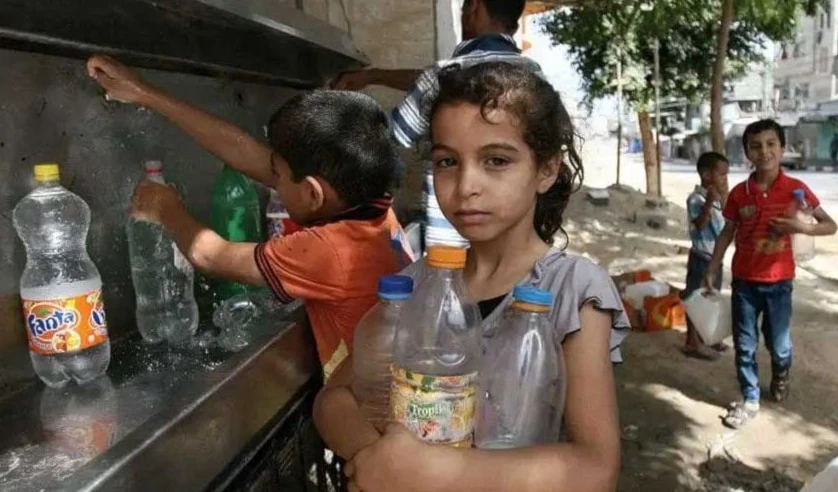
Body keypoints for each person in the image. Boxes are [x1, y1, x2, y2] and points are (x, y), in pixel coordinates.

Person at [314, 62, 630, 492]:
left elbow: (595, 469)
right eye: (447, 161)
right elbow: (333, 399)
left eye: (496, 160)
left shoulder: (573, 290)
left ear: (546, 170)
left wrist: (425, 474)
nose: (466, 185)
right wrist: (379, 460)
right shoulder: (420, 283)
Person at [86, 55, 414, 379]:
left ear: (313, 194)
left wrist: (166, 209)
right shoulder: (377, 213)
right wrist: (145, 93)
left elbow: (210, 255)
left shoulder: (331, 251)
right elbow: (249, 154)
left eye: (278, 177)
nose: (273, 182)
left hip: (365, 409)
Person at [333, 0, 539, 248]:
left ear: (474, 7)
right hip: (511, 248)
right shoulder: (536, 80)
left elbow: (391, 139)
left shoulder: (443, 76)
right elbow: (431, 79)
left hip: (450, 247)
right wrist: (374, 75)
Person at [705, 119, 837, 429]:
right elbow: (727, 232)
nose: (764, 151)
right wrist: (713, 266)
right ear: (747, 153)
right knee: (745, 343)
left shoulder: (796, 190)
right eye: (755, 146)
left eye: (770, 144)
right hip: (744, 284)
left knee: (778, 344)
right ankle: (750, 398)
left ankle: (781, 373)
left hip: (779, 283)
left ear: (782, 148)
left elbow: (830, 225)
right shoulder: (740, 193)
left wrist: (800, 227)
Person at [682, 152, 730, 360]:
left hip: (715, 259)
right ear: (706, 174)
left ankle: (710, 336)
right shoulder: (696, 198)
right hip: (701, 257)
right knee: (696, 298)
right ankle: (692, 342)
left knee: (712, 297)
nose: (724, 179)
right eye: (721, 175)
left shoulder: (718, 199)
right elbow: (699, 224)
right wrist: (708, 203)